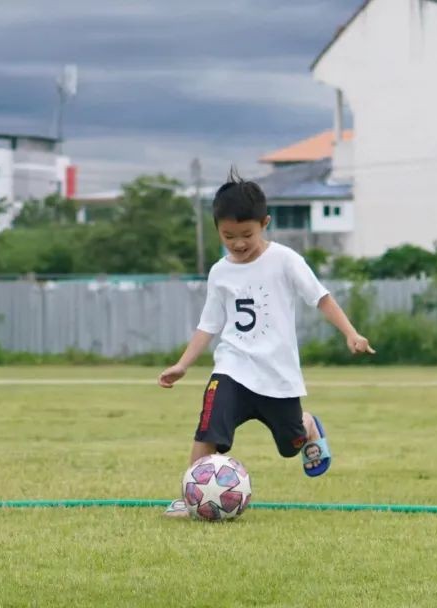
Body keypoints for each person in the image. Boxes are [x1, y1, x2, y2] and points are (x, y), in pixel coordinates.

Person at [159, 171, 374, 517]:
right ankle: (189, 499)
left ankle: (306, 425)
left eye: (247, 234)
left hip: (277, 375)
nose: (239, 243)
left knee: (290, 447)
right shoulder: (220, 272)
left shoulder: (286, 260)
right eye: (229, 236)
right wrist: (183, 364)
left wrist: (351, 332)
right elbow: (208, 325)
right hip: (232, 367)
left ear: (265, 223)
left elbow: (320, 298)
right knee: (208, 427)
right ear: (217, 229)